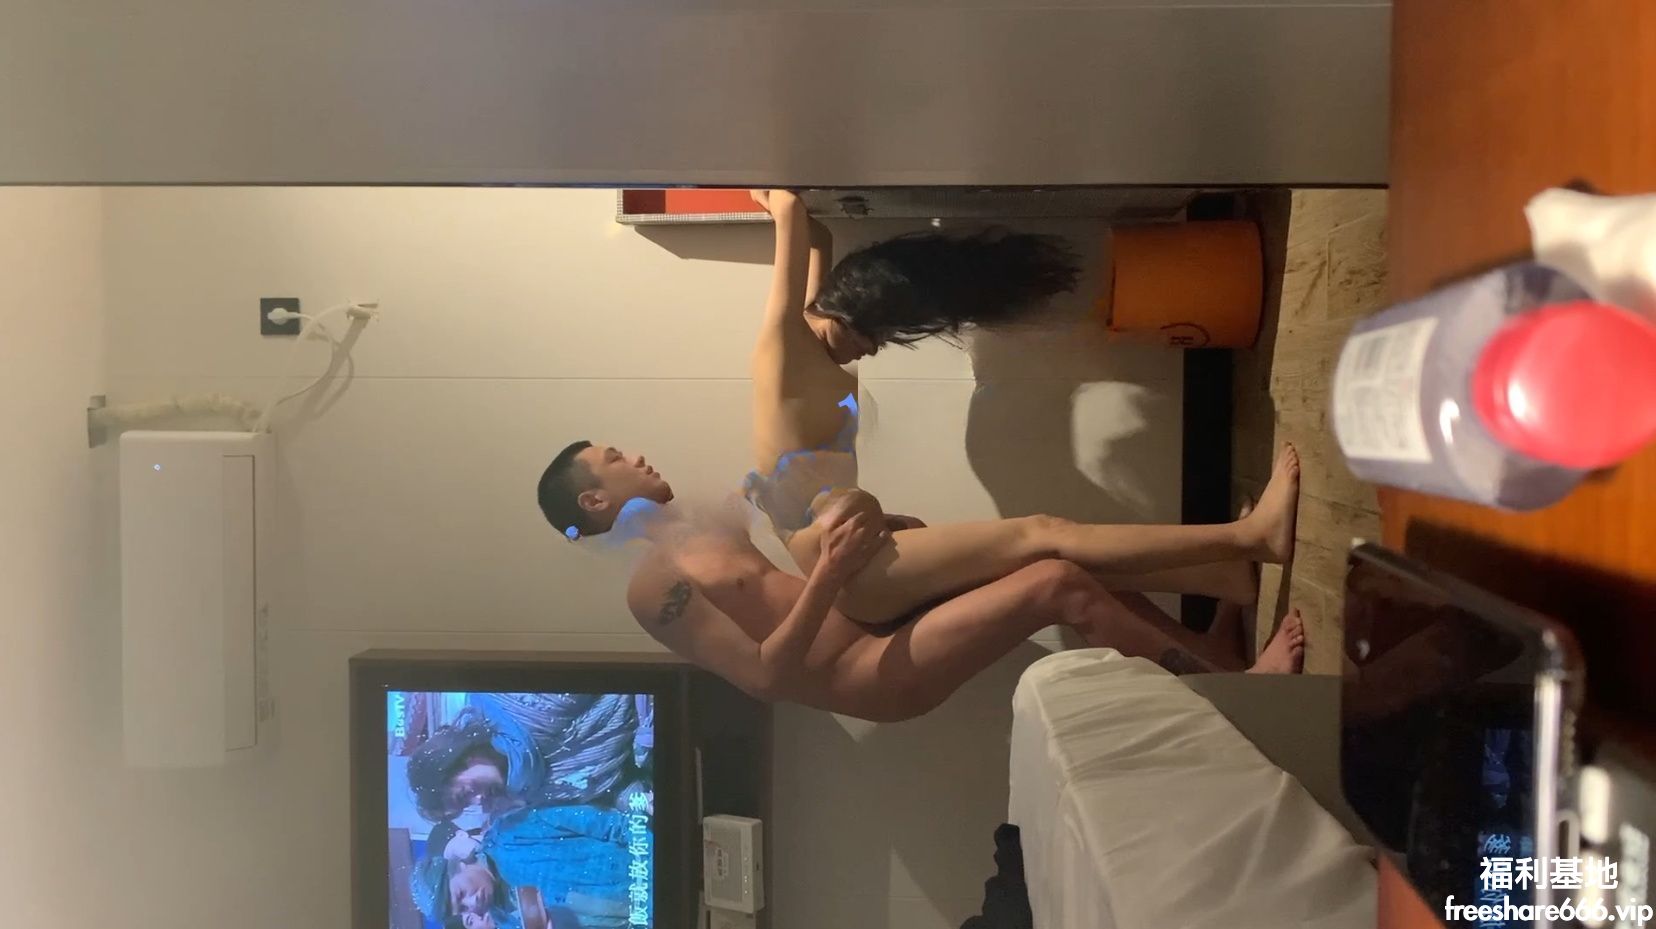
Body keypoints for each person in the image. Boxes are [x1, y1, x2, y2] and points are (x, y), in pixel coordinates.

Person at [407, 692, 643, 822]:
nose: (478, 801)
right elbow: (611, 791)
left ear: (458, 758)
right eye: (467, 804)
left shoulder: (513, 698)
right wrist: (639, 801)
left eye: (464, 794)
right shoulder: (529, 791)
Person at [414, 807, 635, 929]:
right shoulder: (509, 924)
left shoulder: (512, 833)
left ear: (460, 865)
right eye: (463, 909)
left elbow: (609, 824)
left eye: (461, 894)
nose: (473, 904)